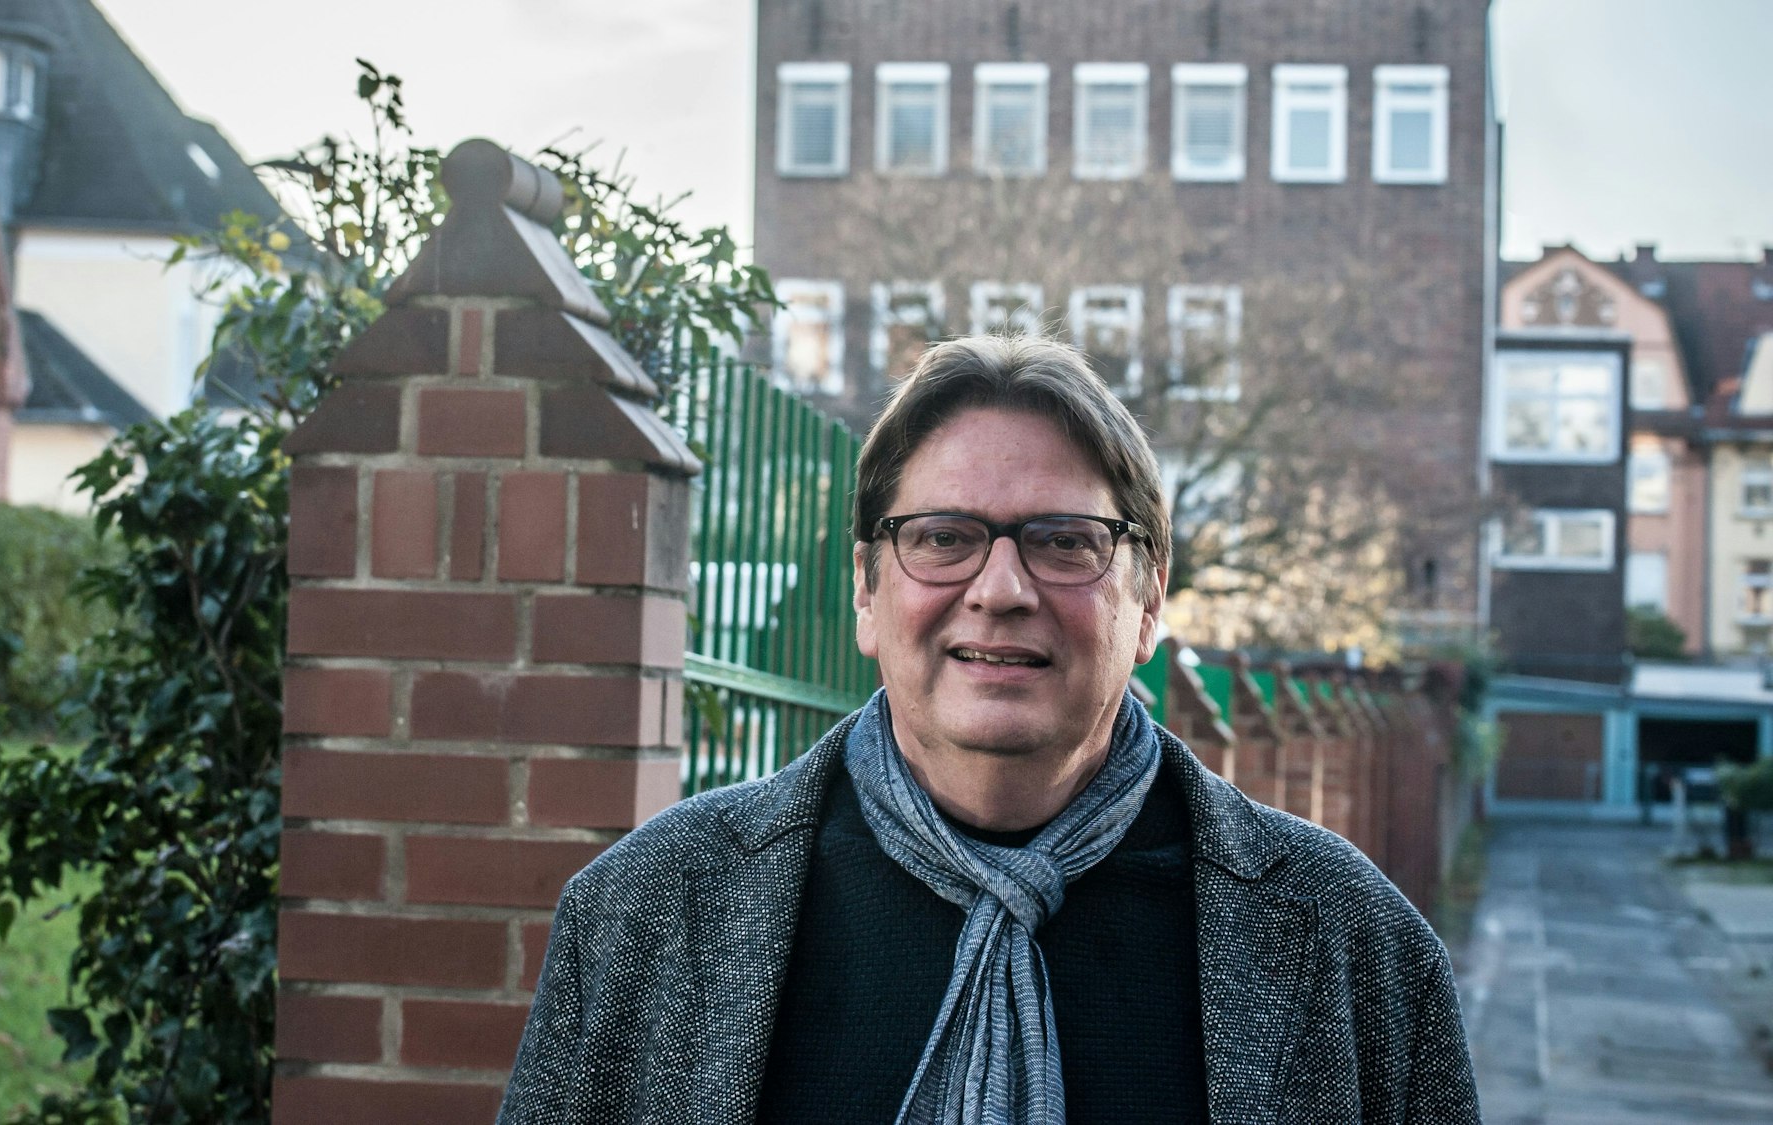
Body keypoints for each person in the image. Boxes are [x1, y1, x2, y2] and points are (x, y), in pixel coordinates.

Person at [498, 335, 1479, 1124]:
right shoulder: (645, 916)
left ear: (1147, 606)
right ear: (865, 592)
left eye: (1064, 544)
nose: (1000, 591)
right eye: (941, 539)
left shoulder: (1356, 948)